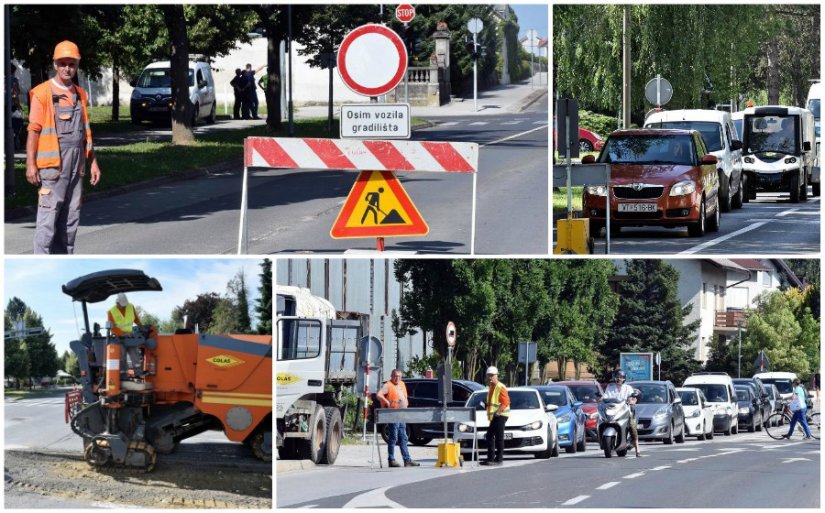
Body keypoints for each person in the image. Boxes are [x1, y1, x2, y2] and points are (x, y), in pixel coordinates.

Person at [27, 40, 101, 254]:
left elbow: (86, 133)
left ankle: (64, 260)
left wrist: (93, 162)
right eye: (63, 63)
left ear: (77, 65)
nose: (67, 68)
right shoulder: (42, 93)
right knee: (47, 223)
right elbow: (34, 131)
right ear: (55, 64)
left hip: (76, 169)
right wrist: (31, 164)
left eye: (72, 63)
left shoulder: (80, 94)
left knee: (70, 222)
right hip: (52, 169)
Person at [376, 369, 420, 468]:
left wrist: (406, 402)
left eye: (399, 376)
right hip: (393, 414)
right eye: (395, 376)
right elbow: (378, 395)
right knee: (393, 437)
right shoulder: (388, 385)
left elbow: (404, 396)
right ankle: (391, 459)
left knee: (403, 438)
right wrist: (386, 401)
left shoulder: (402, 384)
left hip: (402, 414)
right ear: (391, 376)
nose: (397, 378)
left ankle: (407, 460)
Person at [602, 370, 642, 457]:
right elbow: (605, 397)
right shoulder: (610, 387)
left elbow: (634, 398)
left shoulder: (628, 388)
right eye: (617, 377)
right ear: (614, 378)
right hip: (612, 410)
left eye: (621, 378)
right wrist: (601, 398)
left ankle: (637, 448)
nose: (619, 379)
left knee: (632, 426)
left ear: (624, 379)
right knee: (601, 420)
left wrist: (633, 401)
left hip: (625, 410)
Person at [481, 366, 510, 466]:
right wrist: (486, 405)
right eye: (488, 375)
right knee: (490, 436)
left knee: (498, 437)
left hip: (501, 415)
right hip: (496, 415)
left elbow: (506, 402)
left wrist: (498, 412)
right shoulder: (491, 387)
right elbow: (493, 402)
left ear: (496, 376)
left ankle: (498, 459)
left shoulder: (500, 386)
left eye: (492, 375)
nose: (490, 377)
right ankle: (491, 458)